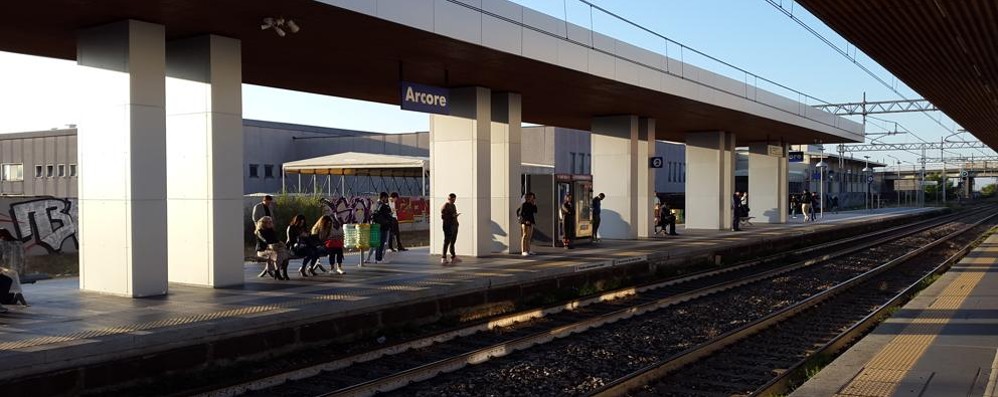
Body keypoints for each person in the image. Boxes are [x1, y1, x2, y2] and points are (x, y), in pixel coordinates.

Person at [255, 216, 289, 280]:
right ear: (263, 223)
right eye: (269, 222)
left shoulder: (271, 230)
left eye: (271, 222)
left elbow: (275, 240)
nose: (271, 223)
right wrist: (277, 242)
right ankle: (277, 272)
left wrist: (280, 243)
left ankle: (284, 273)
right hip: (262, 250)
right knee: (276, 254)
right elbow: (266, 241)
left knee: (285, 254)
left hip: (271, 249)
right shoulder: (260, 231)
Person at [366, 192, 393, 265]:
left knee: (376, 243)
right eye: (386, 198)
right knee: (381, 243)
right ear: (383, 197)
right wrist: (387, 221)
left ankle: (372, 258)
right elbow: (387, 215)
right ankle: (378, 259)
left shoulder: (375, 204)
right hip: (383, 226)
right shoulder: (382, 206)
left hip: (376, 226)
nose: (387, 199)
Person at [441, 193, 460, 264]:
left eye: (453, 199)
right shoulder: (446, 206)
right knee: (447, 241)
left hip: (454, 225)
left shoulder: (453, 206)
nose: (452, 201)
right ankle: (443, 257)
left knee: (453, 242)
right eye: (451, 199)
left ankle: (453, 256)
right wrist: (452, 216)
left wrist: (455, 217)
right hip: (448, 226)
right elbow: (443, 217)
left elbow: (453, 215)